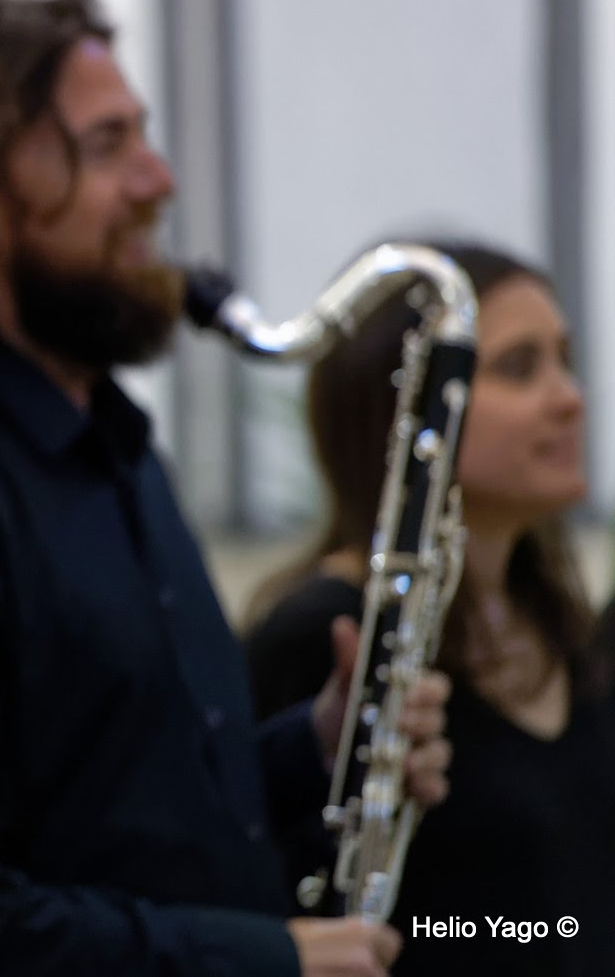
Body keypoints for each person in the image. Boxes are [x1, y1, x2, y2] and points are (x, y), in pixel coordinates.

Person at [0, 0, 451, 977]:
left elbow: (124, 814)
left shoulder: (121, 447)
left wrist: (316, 743)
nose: (156, 178)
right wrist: (267, 958)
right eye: (106, 142)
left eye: (145, 136)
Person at [245, 240, 615, 975]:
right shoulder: (327, 629)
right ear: (413, 403)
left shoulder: (561, 627)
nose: (569, 397)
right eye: (518, 367)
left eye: (564, 360)